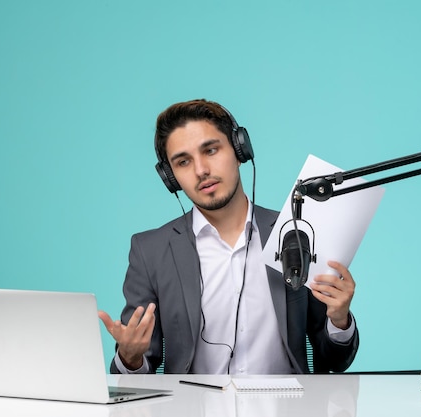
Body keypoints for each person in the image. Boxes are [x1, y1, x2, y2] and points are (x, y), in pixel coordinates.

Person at [98, 99, 359, 374]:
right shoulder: (150, 251)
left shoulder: (297, 231)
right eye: (183, 161)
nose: (201, 170)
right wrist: (130, 358)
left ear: (239, 150)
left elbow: (334, 361)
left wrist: (339, 321)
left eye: (210, 150)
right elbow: (138, 368)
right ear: (170, 177)